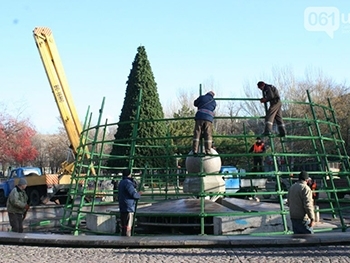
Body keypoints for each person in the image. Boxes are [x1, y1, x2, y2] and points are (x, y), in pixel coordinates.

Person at [192, 91, 216, 155]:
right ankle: (208, 150)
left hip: (200, 116)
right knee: (208, 134)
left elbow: (195, 103)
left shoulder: (202, 97)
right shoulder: (213, 102)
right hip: (209, 118)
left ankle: (195, 150)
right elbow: (213, 108)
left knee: (197, 132)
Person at [118, 169, 141, 236]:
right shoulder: (128, 183)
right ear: (129, 174)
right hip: (128, 206)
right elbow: (133, 194)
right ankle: (127, 240)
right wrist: (139, 194)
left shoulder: (121, 182)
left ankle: (123, 239)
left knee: (123, 225)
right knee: (128, 225)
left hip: (122, 206)